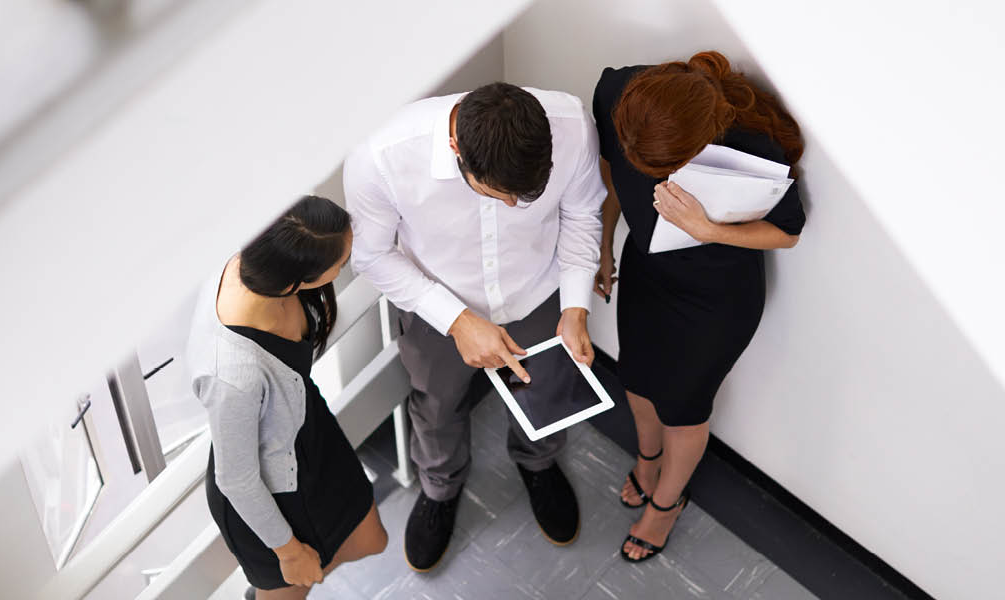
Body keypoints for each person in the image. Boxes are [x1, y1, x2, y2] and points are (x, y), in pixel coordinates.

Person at [344, 82, 605, 572]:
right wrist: (457, 320)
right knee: (436, 405)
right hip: (436, 305)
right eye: (500, 195)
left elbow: (582, 213)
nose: (513, 207)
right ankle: (440, 488)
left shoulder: (571, 125)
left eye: (525, 197)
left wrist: (575, 306)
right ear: (455, 149)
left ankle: (539, 462)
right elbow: (371, 255)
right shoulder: (380, 156)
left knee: (545, 390)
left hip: (537, 290)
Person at [591, 51, 807, 562]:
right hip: (648, 271)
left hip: (716, 300)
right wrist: (604, 242)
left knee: (683, 407)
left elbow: (789, 233)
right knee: (636, 377)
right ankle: (648, 459)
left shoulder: (750, 147)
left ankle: (666, 504)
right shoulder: (616, 92)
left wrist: (707, 229)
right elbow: (610, 171)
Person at [185, 196, 387, 599]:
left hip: (311, 438)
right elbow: (236, 479)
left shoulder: (265, 263)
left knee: (370, 541)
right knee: (296, 585)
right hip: (273, 496)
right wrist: (289, 552)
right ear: (298, 280)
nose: (346, 264)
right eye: (341, 262)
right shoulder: (234, 375)